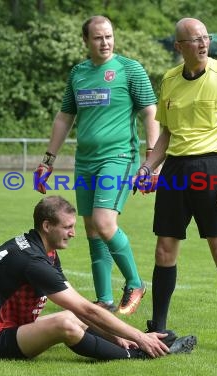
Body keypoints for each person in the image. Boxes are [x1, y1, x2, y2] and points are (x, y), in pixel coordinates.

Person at [133, 18, 217, 355]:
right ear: (178, 47)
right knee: (164, 250)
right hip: (174, 170)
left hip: (212, 166)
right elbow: (166, 134)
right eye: (194, 39)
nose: (202, 44)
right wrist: (147, 167)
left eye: (205, 38)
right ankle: (160, 330)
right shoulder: (170, 79)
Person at [0, 196, 197, 360]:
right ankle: (138, 353)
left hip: (13, 328)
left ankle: (134, 345)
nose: (74, 233)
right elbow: (88, 310)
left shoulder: (40, 248)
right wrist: (138, 337)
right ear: (47, 225)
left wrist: (120, 337)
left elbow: (81, 308)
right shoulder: (34, 262)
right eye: (68, 227)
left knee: (74, 315)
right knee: (65, 325)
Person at [34, 16, 160, 315]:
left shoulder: (130, 69)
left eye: (109, 36)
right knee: (91, 229)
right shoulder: (78, 73)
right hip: (86, 161)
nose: (105, 43)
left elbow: (150, 113)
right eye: (98, 38)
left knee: (104, 222)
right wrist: (47, 161)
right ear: (86, 41)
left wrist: (151, 160)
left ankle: (136, 283)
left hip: (118, 157)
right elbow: (65, 117)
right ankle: (103, 299)